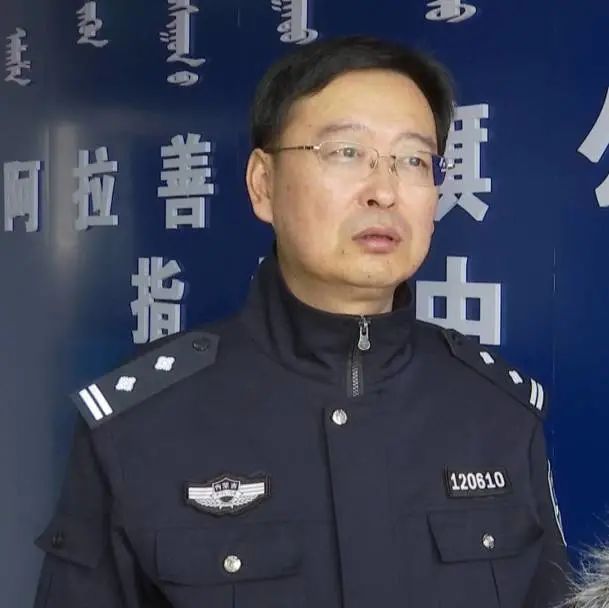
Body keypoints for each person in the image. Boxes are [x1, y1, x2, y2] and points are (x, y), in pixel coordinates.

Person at [33, 36, 569, 608]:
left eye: (413, 160)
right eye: (346, 152)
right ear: (263, 185)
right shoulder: (137, 425)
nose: (384, 191)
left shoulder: (499, 414)